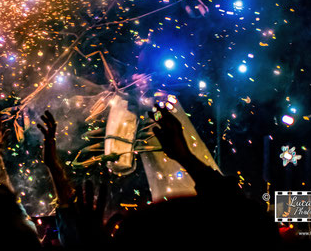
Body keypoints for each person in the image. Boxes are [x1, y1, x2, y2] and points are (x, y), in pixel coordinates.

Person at [113, 106, 282, 248]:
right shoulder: (249, 226)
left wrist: (184, 156)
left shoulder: (244, 219)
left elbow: (236, 209)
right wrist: (185, 156)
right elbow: (236, 209)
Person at [37, 111, 109, 248]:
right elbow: (64, 199)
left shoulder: (69, 242)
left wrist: (51, 163)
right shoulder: (70, 241)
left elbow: (64, 199)